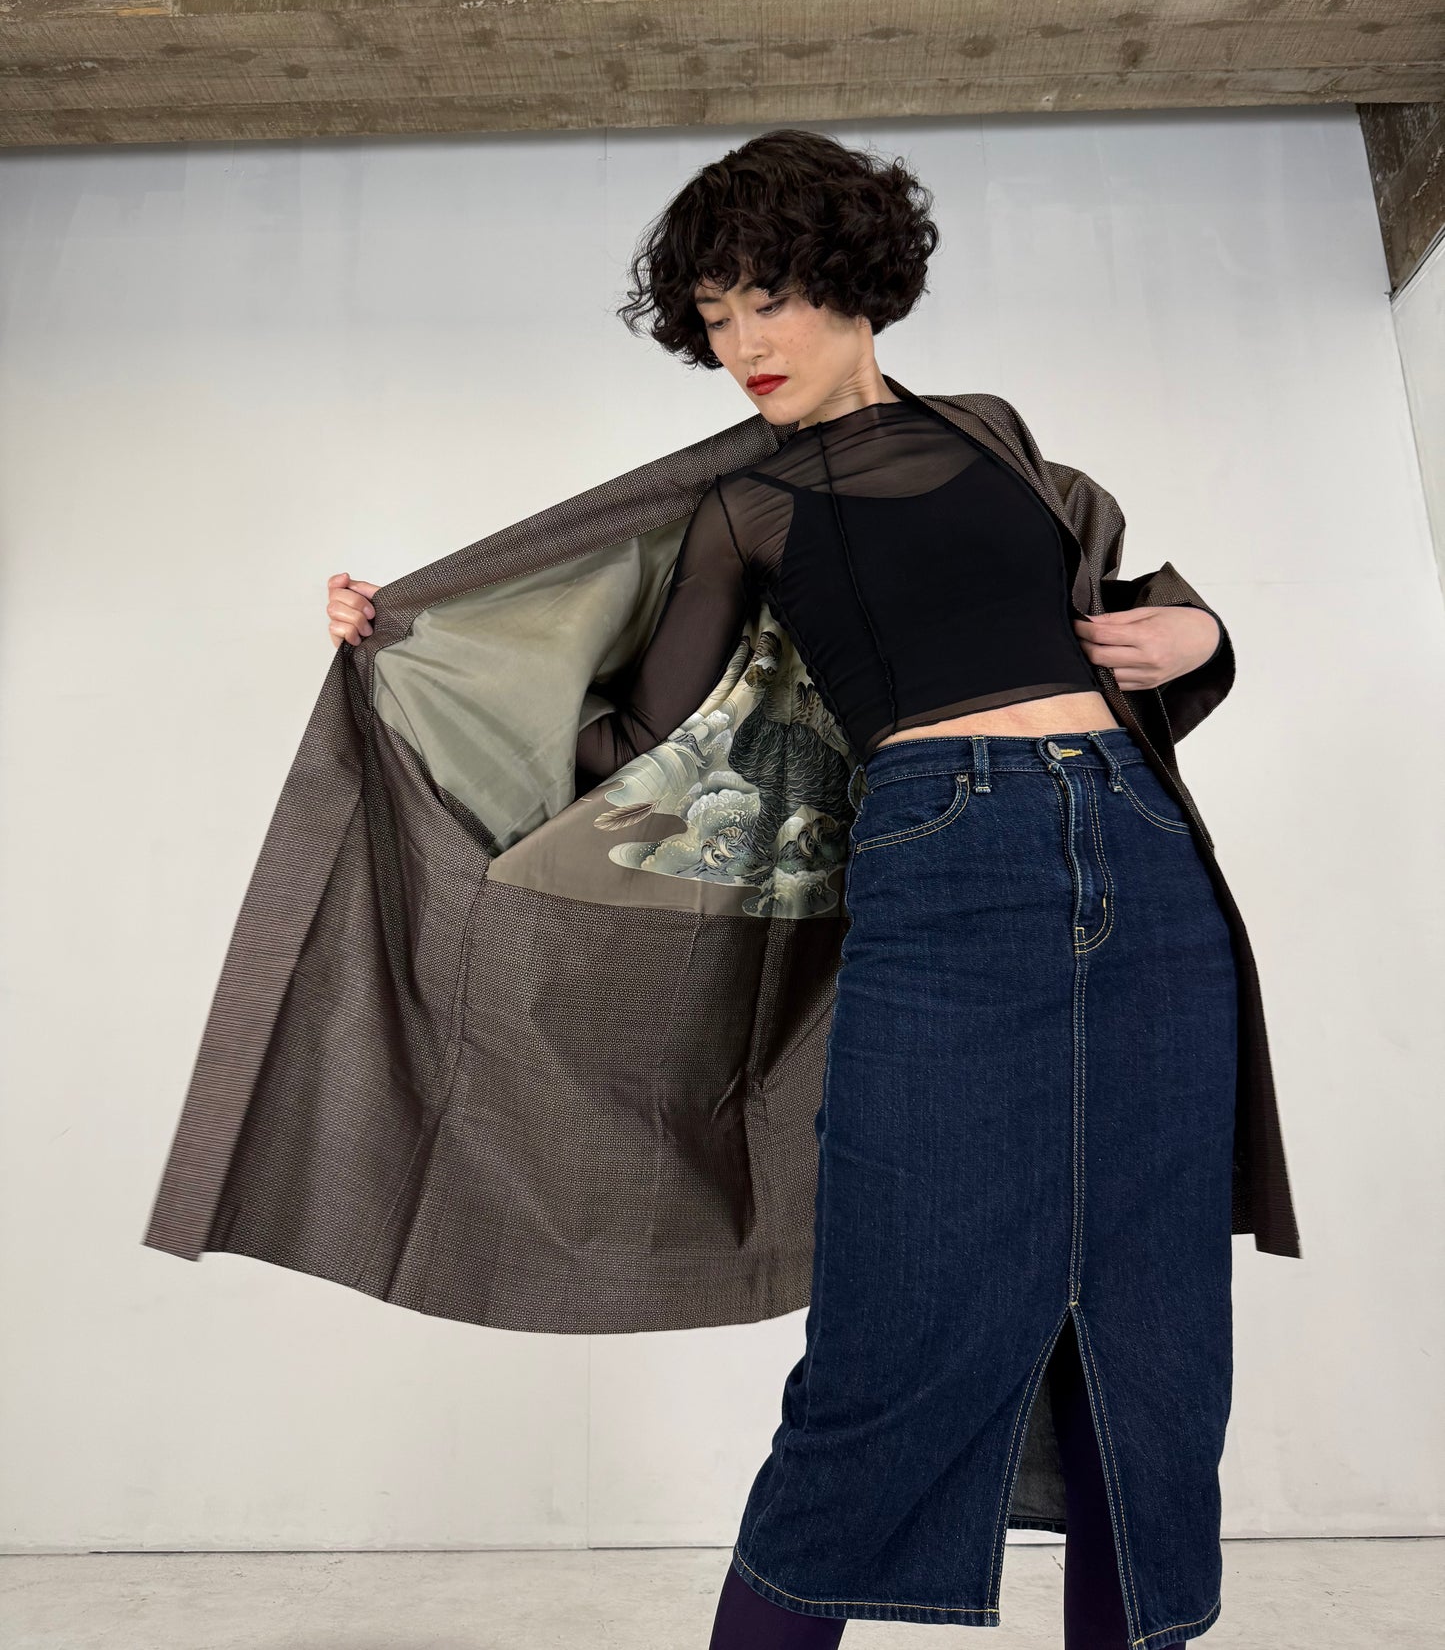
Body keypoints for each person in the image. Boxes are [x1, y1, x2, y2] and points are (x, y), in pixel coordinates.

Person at [326, 130, 1234, 1648]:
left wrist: (1203, 634)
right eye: (713, 316)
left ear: (852, 283)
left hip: (1143, 862)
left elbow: (1112, 618)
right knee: (895, 1324)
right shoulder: (748, 510)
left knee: (1149, 1327)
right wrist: (416, 648)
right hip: (945, 874)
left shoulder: (998, 439)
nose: (741, 343)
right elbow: (636, 748)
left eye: (768, 299)